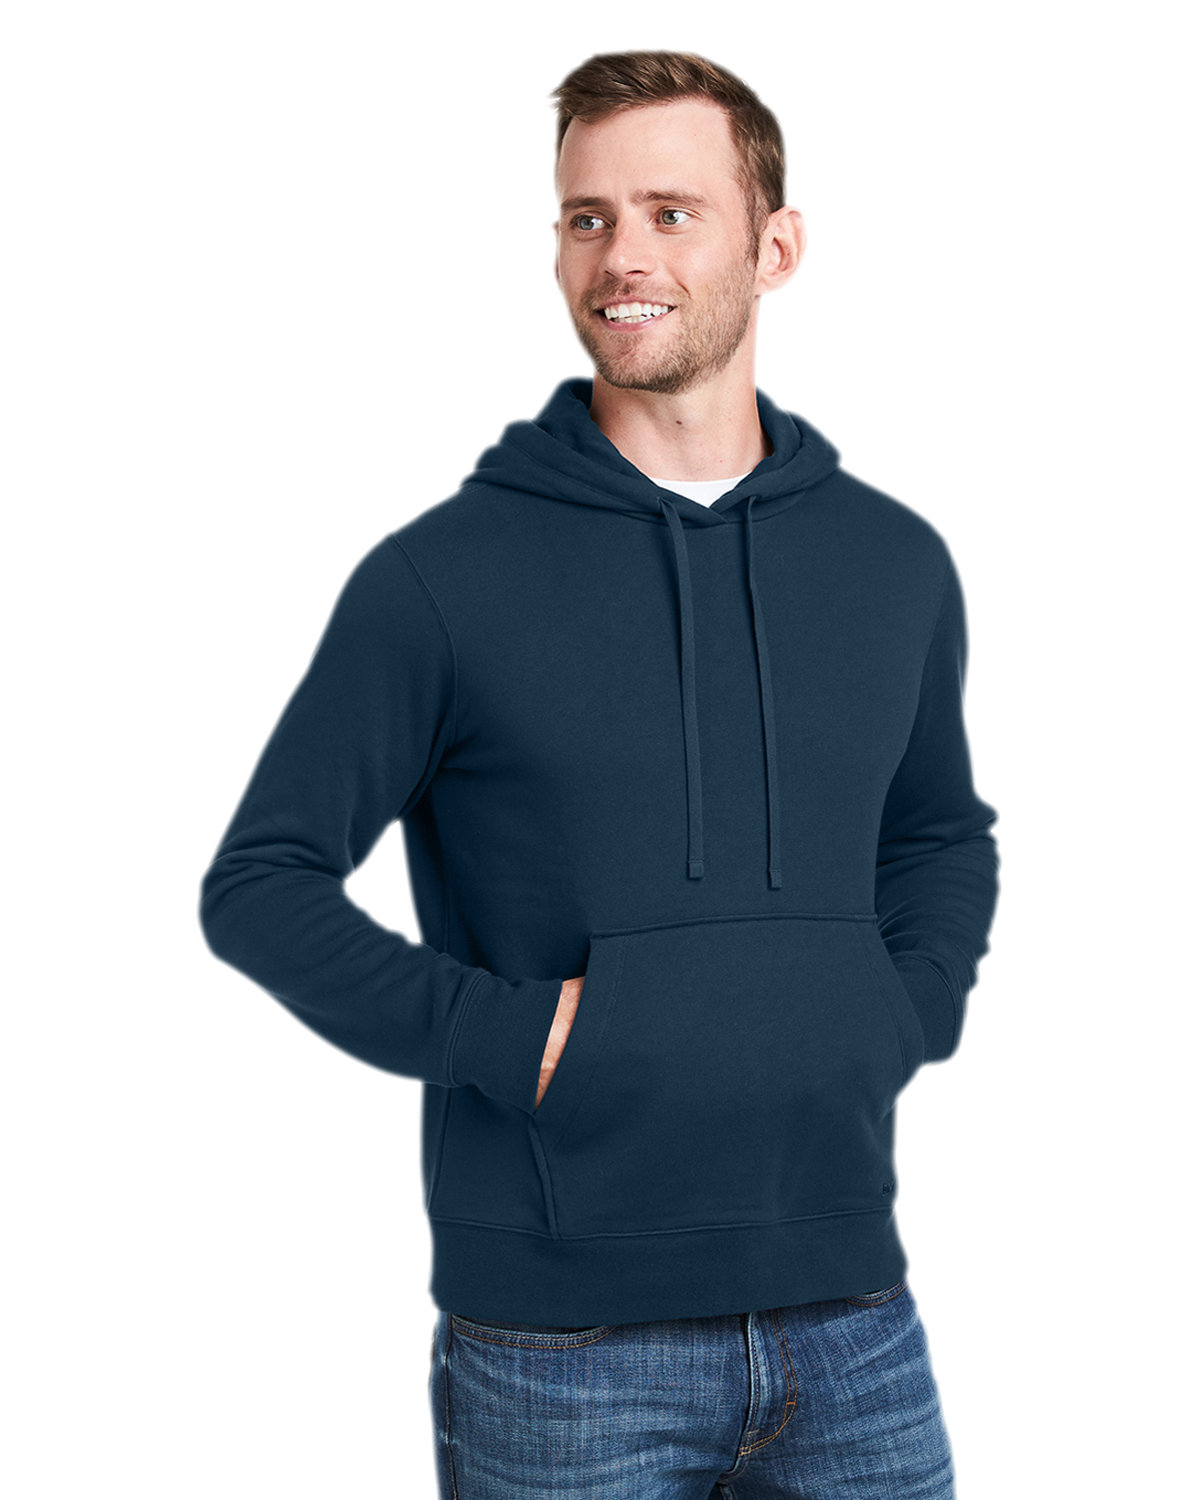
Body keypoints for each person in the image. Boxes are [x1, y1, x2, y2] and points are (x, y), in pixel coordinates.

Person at [199, 49, 1000, 1499]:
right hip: (562, 1347)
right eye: (588, 218)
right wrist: (517, 1039)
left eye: (671, 213)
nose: (622, 255)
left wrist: (902, 1005)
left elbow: (938, 833)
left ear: (775, 248)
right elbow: (261, 886)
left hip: (854, 1314)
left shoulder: (894, 563)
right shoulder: (441, 580)